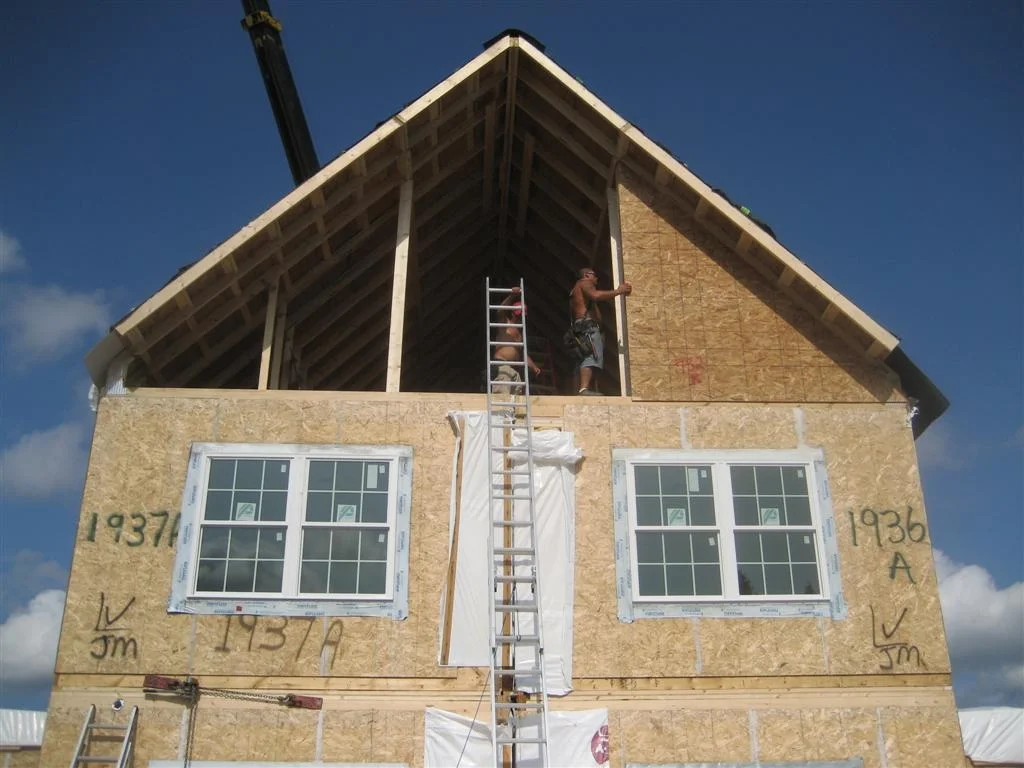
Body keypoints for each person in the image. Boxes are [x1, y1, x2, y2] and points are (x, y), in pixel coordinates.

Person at [569, 267, 632, 395]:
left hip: (582, 327)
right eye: (594, 275)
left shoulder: (575, 290)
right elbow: (596, 295)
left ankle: (581, 389)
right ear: (586, 275)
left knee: (583, 358)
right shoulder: (584, 283)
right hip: (587, 326)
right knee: (591, 355)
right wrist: (618, 291)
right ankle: (584, 389)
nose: (596, 278)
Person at [492, 286, 541, 396]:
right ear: (513, 313)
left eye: (522, 316)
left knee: (516, 399)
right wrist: (511, 296)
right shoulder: (505, 324)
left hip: (514, 369)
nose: (520, 318)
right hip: (502, 366)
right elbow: (500, 310)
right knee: (502, 397)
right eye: (518, 315)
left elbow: (522, 353)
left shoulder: (520, 334)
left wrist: (533, 366)